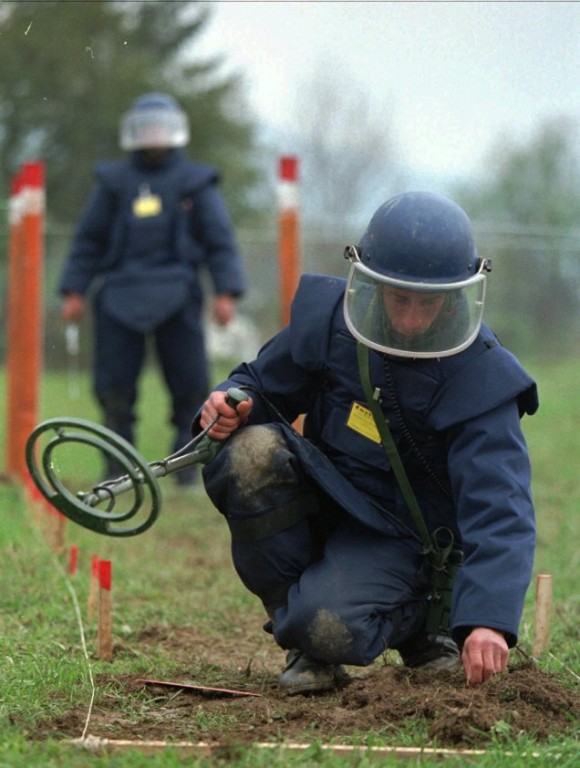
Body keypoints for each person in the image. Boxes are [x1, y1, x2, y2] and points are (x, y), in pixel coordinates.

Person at [197, 191, 539, 695]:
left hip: (407, 540)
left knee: (328, 624)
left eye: (428, 302)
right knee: (250, 453)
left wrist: (487, 620)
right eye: (398, 298)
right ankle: (304, 640)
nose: (409, 319)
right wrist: (231, 400)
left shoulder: (482, 376)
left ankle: (423, 625)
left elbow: (501, 509)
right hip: (329, 499)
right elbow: (260, 384)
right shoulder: (333, 322)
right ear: (371, 282)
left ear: (457, 293)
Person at [59, 93, 246, 484]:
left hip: (178, 293)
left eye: (160, 127)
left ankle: (187, 474)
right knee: (113, 390)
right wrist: (73, 290)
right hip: (118, 294)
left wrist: (226, 292)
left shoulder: (196, 182)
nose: (154, 135)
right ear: (134, 132)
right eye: (146, 128)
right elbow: (88, 241)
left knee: (191, 386)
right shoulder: (113, 183)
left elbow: (219, 241)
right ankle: (116, 470)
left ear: (175, 130)